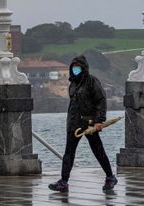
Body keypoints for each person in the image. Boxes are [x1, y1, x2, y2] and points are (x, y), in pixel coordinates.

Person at [48, 55, 117, 192]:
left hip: (90, 123)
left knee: (98, 151)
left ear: (84, 68)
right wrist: (70, 122)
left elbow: (101, 101)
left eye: (78, 67)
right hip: (74, 123)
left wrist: (99, 121)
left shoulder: (92, 81)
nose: (75, 70)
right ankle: (63, 182)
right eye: (73, 67)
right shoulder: (73, 83)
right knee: (69, 153)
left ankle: (110, 177)